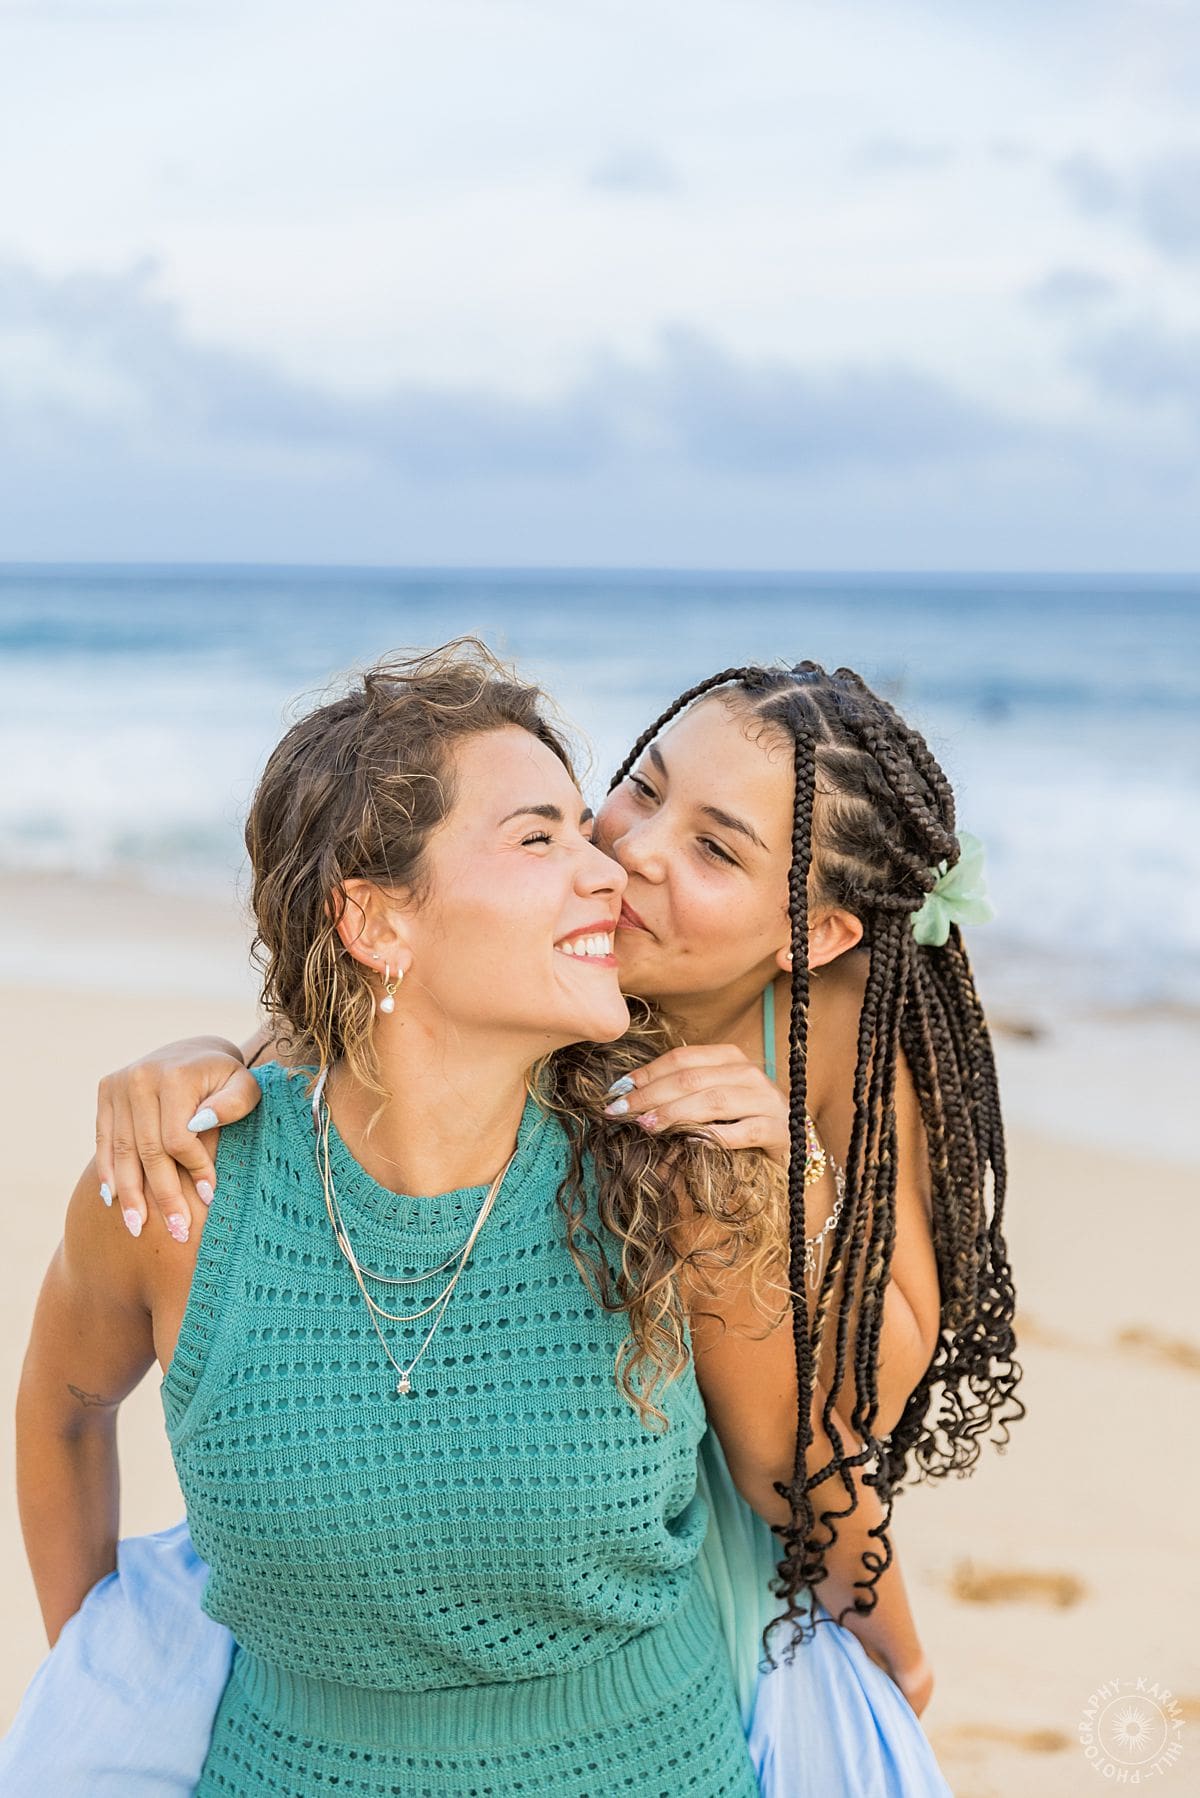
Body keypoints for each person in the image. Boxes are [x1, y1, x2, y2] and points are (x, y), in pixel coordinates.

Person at [6, 652, 1020, 1794]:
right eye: (639, 786)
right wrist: (191, 1065)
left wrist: (800, 1184)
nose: (629, 852)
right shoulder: (540, 966)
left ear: (814, 934)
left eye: (715, 849)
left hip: (715, 1474)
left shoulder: (820, 1036)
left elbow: (839, 1416)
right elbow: (352, 1029)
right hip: (385, 1512)